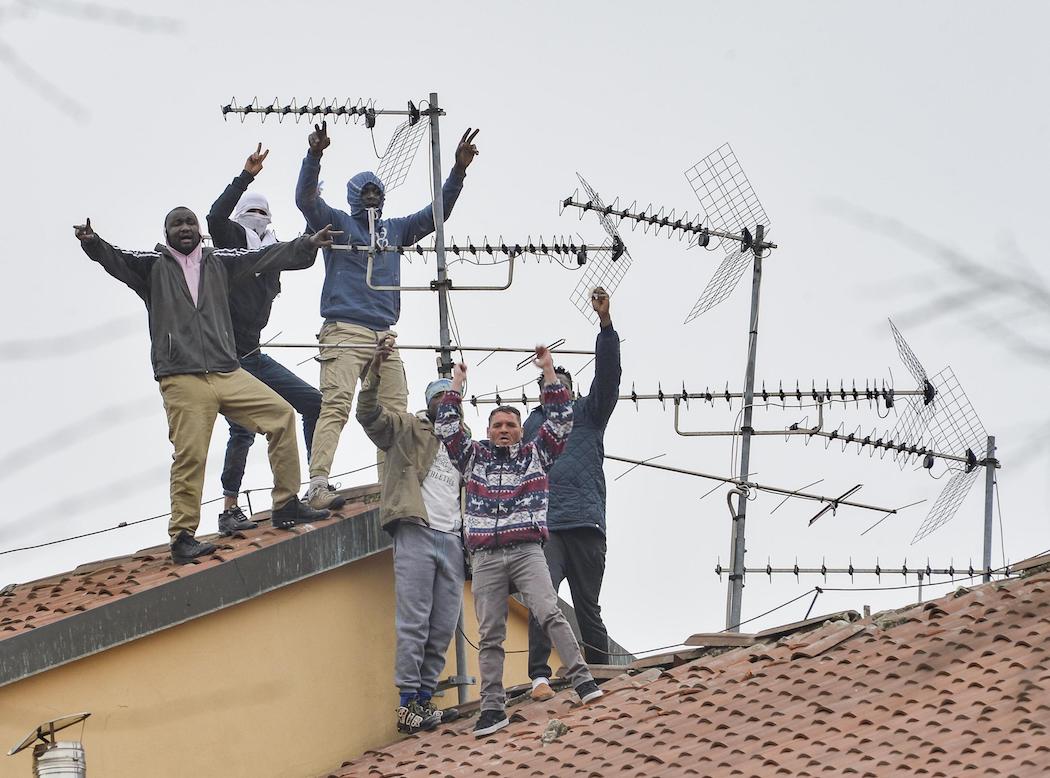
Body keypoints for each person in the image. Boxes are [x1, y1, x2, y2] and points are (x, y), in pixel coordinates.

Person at [73, 209, 337, 564]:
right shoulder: (152, 266)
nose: (184, 229)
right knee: (191, 455)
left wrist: (306, 244)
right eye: (176, 224)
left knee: (281, 415)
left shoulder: (220, 261)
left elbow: (265, 255)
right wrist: (93, 243)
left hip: (227, 370)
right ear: (166, 233)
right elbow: (117, 259)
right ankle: (182, 536)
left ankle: (286, 504)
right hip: (182, 376)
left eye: (189, 223)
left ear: (199, 231)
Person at [295, 121, 480, 509]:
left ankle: (390, 488)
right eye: (366, 192)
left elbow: (435, 215)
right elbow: (307, 202)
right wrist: (314, 156)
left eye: (378, 191)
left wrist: (458, 172)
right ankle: (317, 484)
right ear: (352, 197)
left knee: (394, 415)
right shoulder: (340, 225)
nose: (373, 196)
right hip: (344, 327)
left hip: (384, 333)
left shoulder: (394, 230)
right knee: (337, 403)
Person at [435, 347, 603, 739]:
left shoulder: (535, 455)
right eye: (498, 424)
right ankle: (493, 709)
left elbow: (562, 420)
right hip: (486, 557)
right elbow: (446, 427)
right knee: (490, 634)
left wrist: (547, 372)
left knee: (549, 611)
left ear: (520, 428)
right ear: (489, 429)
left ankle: (583, 680)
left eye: (511, 423)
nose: (505, 429)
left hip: (527, 550)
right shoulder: (473, 457)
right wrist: (456, 384)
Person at [207, 143, 340, 535]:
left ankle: (316, 485)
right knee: (243, 429)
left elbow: (305, 253)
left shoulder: (272, 249)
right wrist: (245, 176)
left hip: (254, 353)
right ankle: (230, 507)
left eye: (264, 214)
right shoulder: (230, 240)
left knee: (313, 403)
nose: (258, 219)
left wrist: (313, 209)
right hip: (227, 357)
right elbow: (214, 215)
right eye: (252, 212)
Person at [355, 337, 465, 735]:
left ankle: (423, 699)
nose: (443, 404)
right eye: (438, 398)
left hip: (452, 538)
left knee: (442, 625)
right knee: (414, 621)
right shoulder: (406, 427)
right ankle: (406, 703)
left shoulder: (464, 445)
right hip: (416, 529)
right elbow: (367, 414)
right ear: (429, 403)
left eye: (449, 398)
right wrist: (374, 371)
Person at [524, 287, 621, 700]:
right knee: (542, 601)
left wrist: (605, 325)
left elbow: (609, 375)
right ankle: (539, 675)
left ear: (572, 390)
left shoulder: (589, 413)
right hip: (546, 527)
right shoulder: (529, 427)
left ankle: (600, 670)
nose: (554, 387)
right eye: (548, 383)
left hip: (585, 521)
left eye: (560, 382)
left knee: (587, 606)